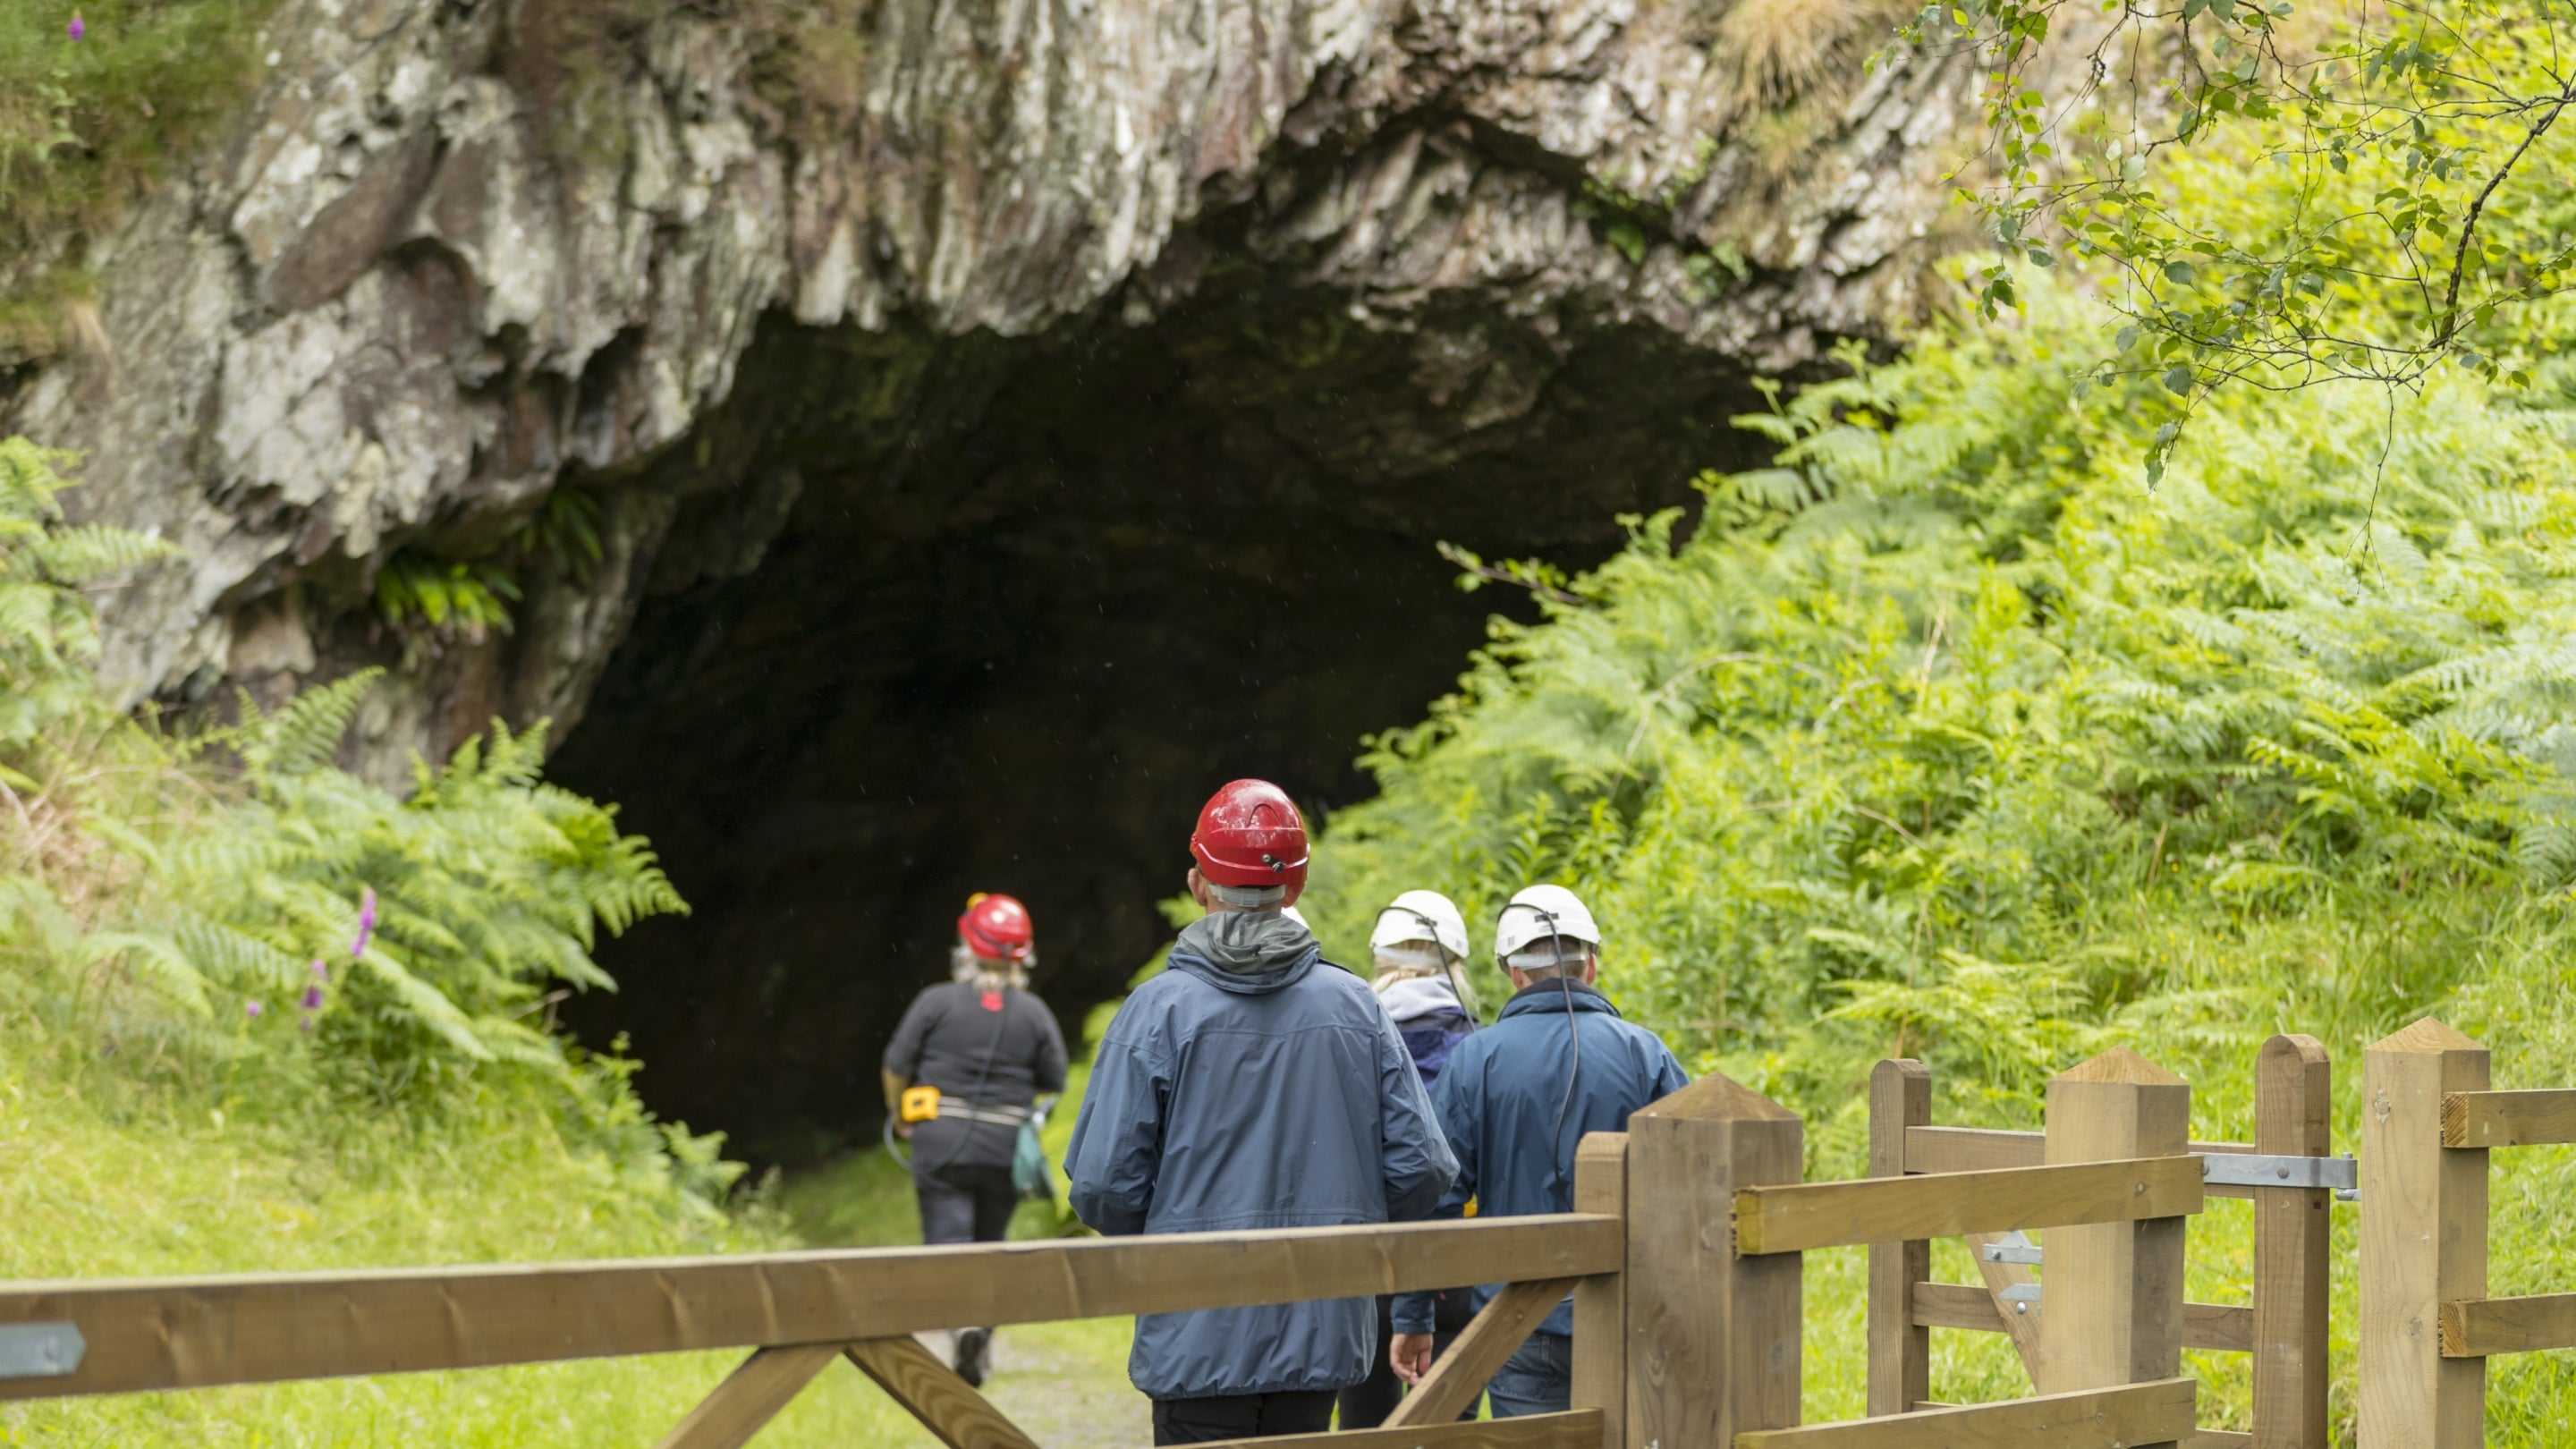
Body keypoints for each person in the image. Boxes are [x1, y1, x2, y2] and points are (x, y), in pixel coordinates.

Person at [1065, 779, 1458, 1445]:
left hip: (1193, 1330)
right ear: (1295, 889)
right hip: (1322, 1332)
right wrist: (1347, 1221)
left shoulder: (1156, 1011)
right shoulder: (1356, 1008)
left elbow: (1103, 1187)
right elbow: (1421, 1167)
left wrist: (1171, 1239)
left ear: (1198, 884)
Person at [1390, 885, 1689, 1418]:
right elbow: (1691, 1182)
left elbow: (1436, 1196)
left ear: (1514, 973)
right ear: (1590, 966)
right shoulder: (1646, 1054)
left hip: (1516, 1320)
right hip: (1625, 1311)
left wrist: (1415, 1317)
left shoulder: (1474, 1059)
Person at [881, 892, 1070, 1386]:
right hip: (1004, 1146)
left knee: (948, 1241)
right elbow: (1056, 1079)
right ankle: (980, 1337)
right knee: (990, 1245)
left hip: (940, 1140)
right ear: (1024, 955)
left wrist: (901, 1114)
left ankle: (963, 1324)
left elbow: (895, 1066)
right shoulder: (1034, 1013)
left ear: (965, 945)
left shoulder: (935, 1001)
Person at [1337, 889, 1481, 1430]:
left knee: (1363, 1421)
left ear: (1379, 960)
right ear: (1455, 962)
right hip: (1454, 1259)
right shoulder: (1478, 1049)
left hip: (1366, 1258)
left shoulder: (1350, 1041)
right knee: (1449, 1423)